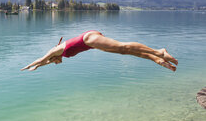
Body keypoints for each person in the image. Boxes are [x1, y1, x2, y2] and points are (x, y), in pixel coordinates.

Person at [21, 30, 178, 72]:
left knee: (123, 47)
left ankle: (159, 51)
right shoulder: (58, 56)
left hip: (88, 39)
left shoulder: (54, 51)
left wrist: (30, 66)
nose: (56, 63)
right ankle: (156, 59)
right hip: (92, 43)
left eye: (54, 62)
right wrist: (38, 67)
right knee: (124, 52)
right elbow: (45, 63)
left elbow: (42, 59)